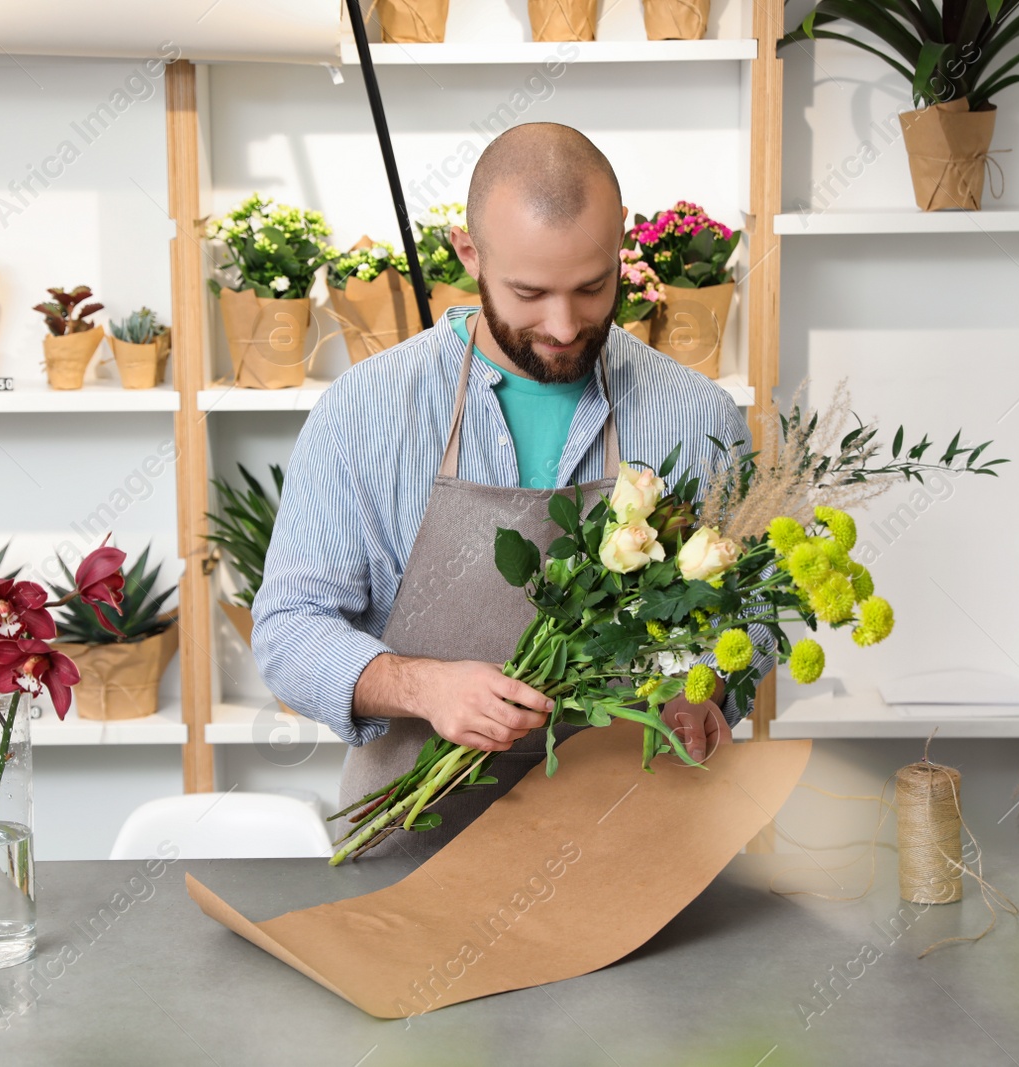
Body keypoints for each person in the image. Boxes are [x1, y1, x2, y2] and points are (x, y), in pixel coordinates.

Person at [252, 122, 775, 859]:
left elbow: (749, 610)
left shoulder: (696, 415)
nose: (563, 326)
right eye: (529, 292)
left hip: (633, 848)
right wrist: (421, 687)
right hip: (409, 846)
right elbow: (287, 629)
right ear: (471, 255)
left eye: (592, 287)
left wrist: (709, 688)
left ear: (621, 243)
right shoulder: (368, 410)